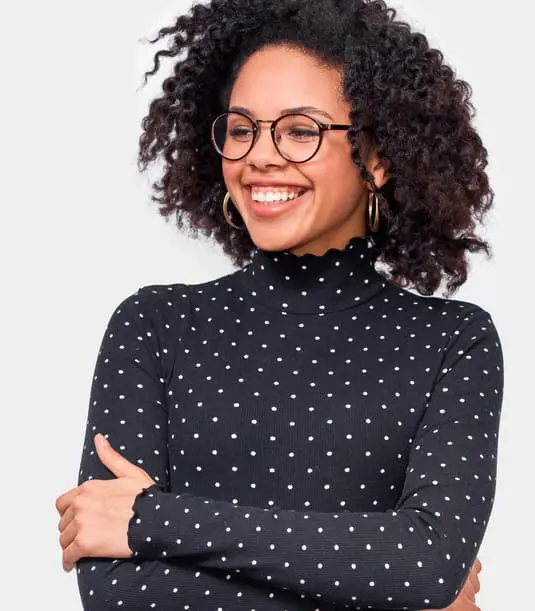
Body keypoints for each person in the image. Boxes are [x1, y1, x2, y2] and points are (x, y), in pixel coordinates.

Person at [55, 1, 503, 609]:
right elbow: (122, 596)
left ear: (377, 157)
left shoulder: (452, 342)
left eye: (300, 130)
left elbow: (426, 564)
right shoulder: (154, 328)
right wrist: (380, 579)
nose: (260, 156)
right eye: (242, 128)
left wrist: (151, 521)